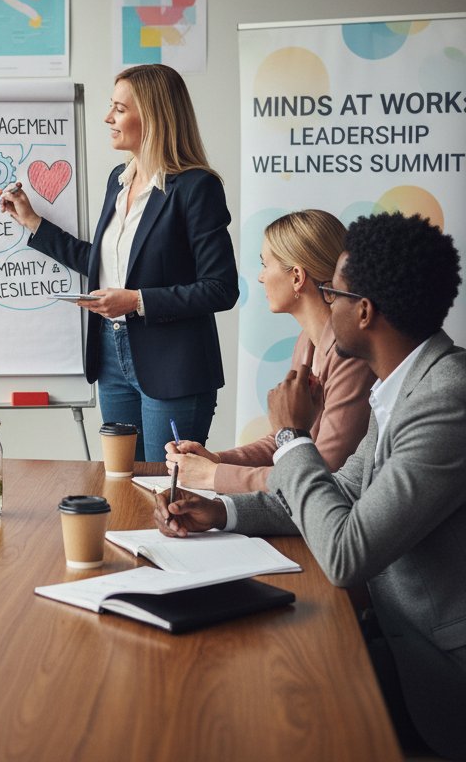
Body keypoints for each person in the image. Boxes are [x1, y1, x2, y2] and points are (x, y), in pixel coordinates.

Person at [153, 212, 466, 760]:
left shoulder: (446, 400)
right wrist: (221, 511)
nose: (326, 303)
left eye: (334, 293)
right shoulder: (406, 385)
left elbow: (347, 554)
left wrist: (293, 436)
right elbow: (341, 489)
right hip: (397, 641)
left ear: (363, 312)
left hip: (440, 676)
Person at [1, 64, 238, 462]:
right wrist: (32, 222)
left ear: (154, 116)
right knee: (122, 483)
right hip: (112, 356)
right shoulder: (119, 180)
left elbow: (221, 287)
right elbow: (101, 263)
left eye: (119, 109)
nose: (108, 118)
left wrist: (136, 301)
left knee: (166, 487)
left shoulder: (197, 187)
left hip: (174, 366)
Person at [166, 209, 373, 492]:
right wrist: (216, 460)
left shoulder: (351, 356)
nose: (261, 278)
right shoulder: (307, 341)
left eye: (265, 265)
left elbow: (323, 470)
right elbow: (285, 438)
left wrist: (213, 476)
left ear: (297, 276)